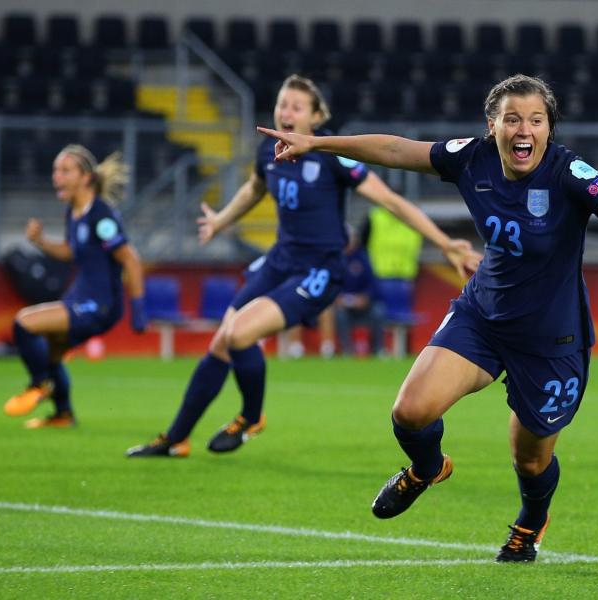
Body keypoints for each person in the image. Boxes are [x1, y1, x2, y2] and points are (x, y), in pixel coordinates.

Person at [259, 74, 598, 562]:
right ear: (492, 126)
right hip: (483, 317)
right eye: (511, 119)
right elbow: (396, 150)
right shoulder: (471, 158)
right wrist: (320, 144)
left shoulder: (570, 173)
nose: (523, 130)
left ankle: (530, 522)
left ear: (550, 128)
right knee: (410, 412)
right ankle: (428, 468)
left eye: (535, 120)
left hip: (551, 339)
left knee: (530, 460)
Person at [127, 74, 479, 458]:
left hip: (319, 270)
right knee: (221, 342)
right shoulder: (269, 151)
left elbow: (391, 201)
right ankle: (176, 438)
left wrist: (445, 243)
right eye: (282, 104)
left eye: (296, 106)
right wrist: (221, 220)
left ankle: (249, 417)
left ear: (316, 118)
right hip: (280, 261)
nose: (286, 112)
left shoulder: (333, 154)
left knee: (239, 334)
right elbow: (254, 187)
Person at [3, 144, 146, 428]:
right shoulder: (75, 211)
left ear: (85, 177)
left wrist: (139, 308)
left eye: (65, 170)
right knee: (52, 350)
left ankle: (39, 384)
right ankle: (63, 414)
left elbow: (131, 259)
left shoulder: (100, 216)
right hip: (81, 297)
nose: (57, 176)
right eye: (56, 170)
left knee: (24, 323)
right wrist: (41, 241)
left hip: (98, 304)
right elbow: (71, 251)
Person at [333, 227, 385, 356]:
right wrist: (337, 298)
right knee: (339, 314)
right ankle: (347, 351)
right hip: (343, 307)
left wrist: (365, 298)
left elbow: (373, 285)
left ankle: (377, 350)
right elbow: (330, 284)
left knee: (378, 311)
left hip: (363, 305)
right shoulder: (335, 259)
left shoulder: (363, 258)